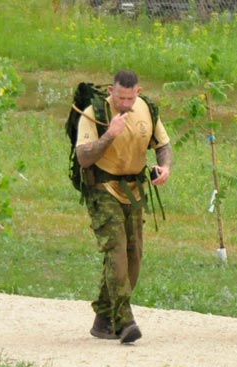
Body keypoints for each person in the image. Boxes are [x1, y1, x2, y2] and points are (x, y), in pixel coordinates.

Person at [75, 70, 172, 344]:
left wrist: (164, 167)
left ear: (138, 93)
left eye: (130, 98)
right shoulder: (93, 113)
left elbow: (163, 145)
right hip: (102, 188)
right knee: (116, 252)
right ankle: (125, 320)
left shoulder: (146, 109)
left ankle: (104, 318)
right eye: (120, 97)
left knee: (134, 256)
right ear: (111, 91)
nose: (125, 104)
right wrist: (109, 134)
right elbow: (83, 157)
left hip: (134, 188)